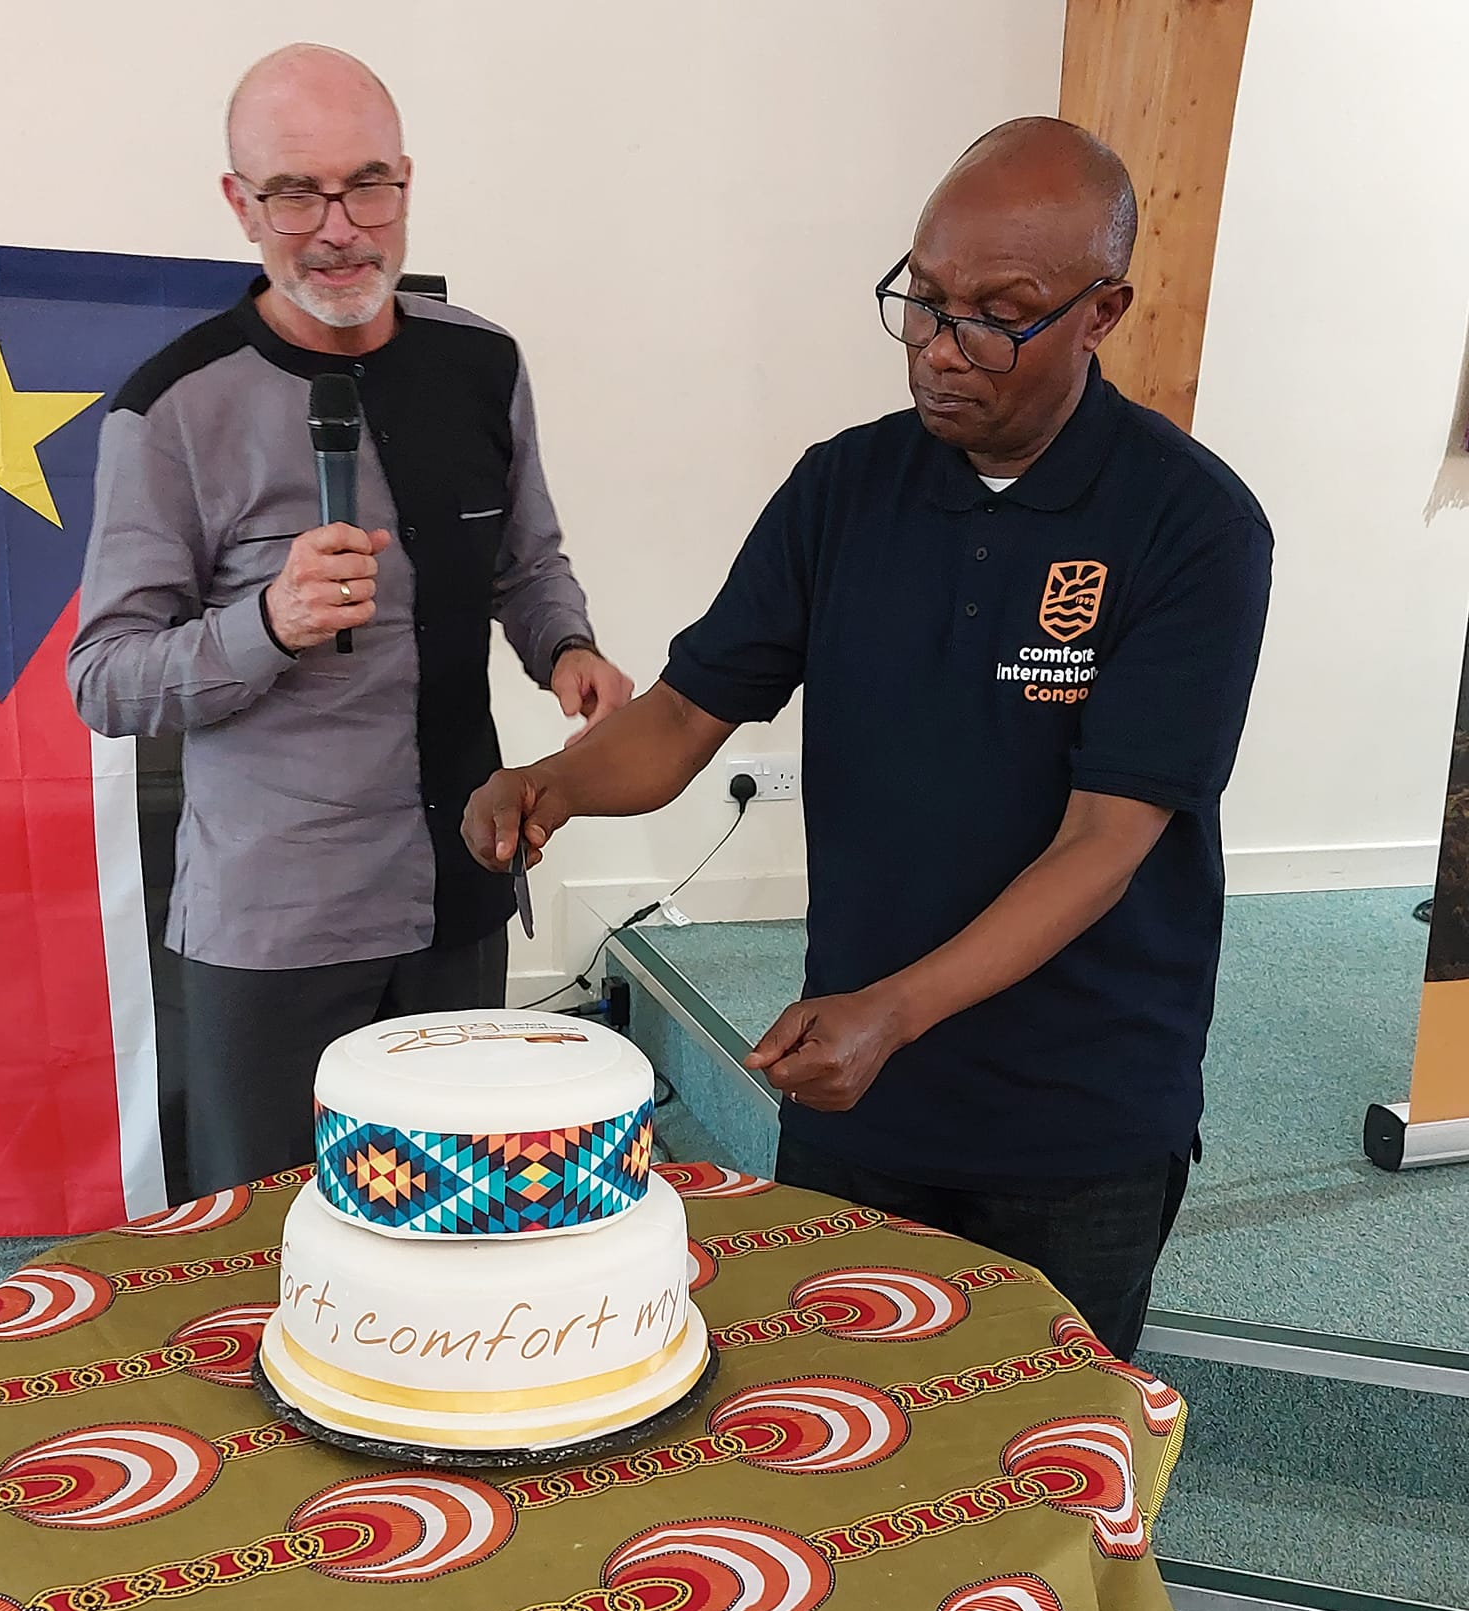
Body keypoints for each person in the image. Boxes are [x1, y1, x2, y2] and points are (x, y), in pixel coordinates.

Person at [463, 117, 1273, 1361]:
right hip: (856, 1092)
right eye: (923, 300)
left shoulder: (1193, 525)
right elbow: (684, 717)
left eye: (998, 314)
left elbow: (1106, 840)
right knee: (831, 1433)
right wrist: (551, 784)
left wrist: (893, 1011)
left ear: (1102, 312)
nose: (943, 351)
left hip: (1077, 1112)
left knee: (1042, 1460)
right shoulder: (843, 490)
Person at [70, 44, 631, 1196]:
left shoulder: (483, 362)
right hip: (275, 926)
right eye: (294, 192)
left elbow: (526, 563)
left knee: (455, 1209)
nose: (339, 227)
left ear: (407, 184)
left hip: (462, 883)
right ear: (240, 204)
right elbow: (105, 677)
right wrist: (265, 622)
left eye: (367, 184)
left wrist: (565, 649)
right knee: (271, 1244)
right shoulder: (170, 408)